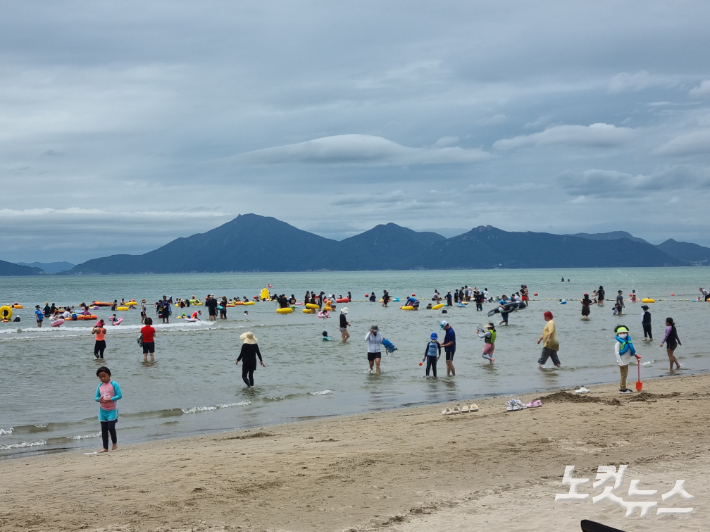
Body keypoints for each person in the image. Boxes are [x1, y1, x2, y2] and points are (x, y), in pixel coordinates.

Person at [95, 366, 122, 452]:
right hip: (103, 411)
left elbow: (119, 395)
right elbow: (96, 397)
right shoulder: (99, 386)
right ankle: (105, 447)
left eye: (104, 376)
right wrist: (99, 399)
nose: (102, 378)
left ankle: (114, 443)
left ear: (109, 375)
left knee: (111, 427)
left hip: (112, 409)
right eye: (100, 377)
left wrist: (110, 399)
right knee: (104, 430)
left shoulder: (114, 384)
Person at [614, 325, 641, 394]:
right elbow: (617, 354)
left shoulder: (627, 342)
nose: (623, 334)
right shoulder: (618, 344)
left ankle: (624, 387)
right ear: (617, 334)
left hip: (626, 361)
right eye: (621, 333)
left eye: (624, 333)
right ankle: (623, 389)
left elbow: (630, 350)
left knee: (625, 375)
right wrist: (621, 363)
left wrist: (636, 355)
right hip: (622, 362)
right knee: (623, 375)